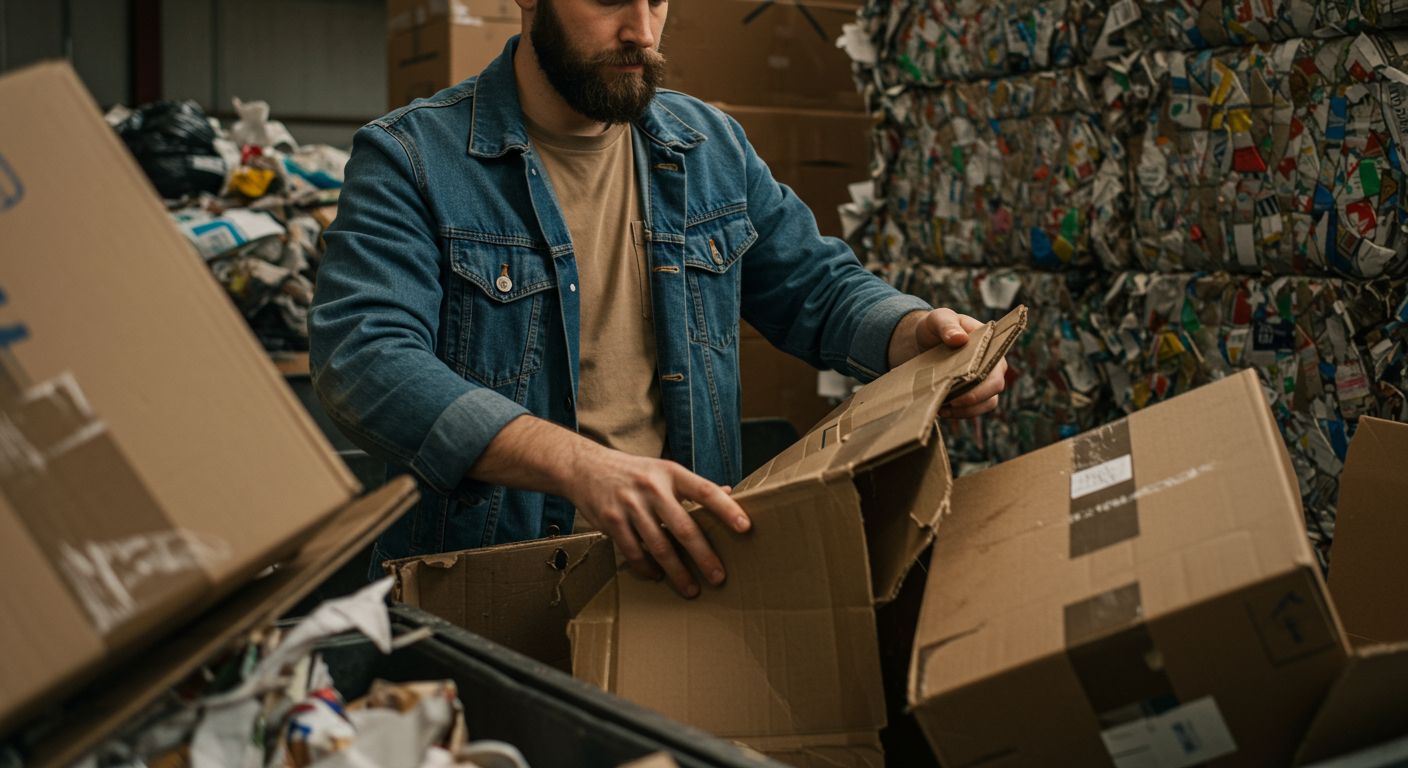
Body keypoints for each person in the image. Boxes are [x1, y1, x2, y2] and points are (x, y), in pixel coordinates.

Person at [309, 0, 1007, 599]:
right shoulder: (412, 158)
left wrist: (911, 332)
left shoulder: (710, 148)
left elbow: (815, 287)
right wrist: (578, 465)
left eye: (657, 1)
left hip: (686, 577)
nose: (641, 30)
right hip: (486, 590)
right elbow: (366, 359)